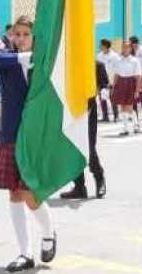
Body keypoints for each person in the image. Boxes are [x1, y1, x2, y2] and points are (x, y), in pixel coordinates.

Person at [0, 17, 57, 272]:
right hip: (10, 135)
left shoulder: (44, 63)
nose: (22, 38)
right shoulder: (9, 61)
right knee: (14, 193)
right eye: (18, 34)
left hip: (34, 137)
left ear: (35, 37)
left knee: (29, 192)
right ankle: (25, 253)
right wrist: (19, 58)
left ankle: (48, 233)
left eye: (27, 34)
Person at [60, 61, 107, 199]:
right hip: (70, 111)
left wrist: (102, 92)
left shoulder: (97, 65)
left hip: (88, 111)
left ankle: (99, 179)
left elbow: (104, 85)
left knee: (89, 149)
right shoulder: (67, 64)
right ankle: (79, 186)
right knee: (72, 148)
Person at [111, 41, 142, 136]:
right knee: (122, 107)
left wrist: (137, 90)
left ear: (130, 49)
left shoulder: (135, 61)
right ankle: (125, 128)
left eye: (127, 47)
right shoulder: (119, 60)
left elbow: (138, 77)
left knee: (129, 107)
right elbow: (116, 74)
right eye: (123, 47)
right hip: (121, 84)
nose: (125, 49)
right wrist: (114, 86)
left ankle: (136, 124)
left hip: (130, 84)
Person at [96, 39, 121, 122]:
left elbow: (118, 69)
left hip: (111, 80)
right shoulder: (99, 56)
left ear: (105, 46)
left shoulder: (114, 56)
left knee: (112, 98)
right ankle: (105, 116)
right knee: (102, 99)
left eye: (101, 45)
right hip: (102, 81)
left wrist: (114, 81)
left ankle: (116, 115)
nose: (100, 46)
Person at [129, 36, 142, 119]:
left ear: (135, 43)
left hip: (141, 75)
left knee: (141, 95)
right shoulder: (131, 51)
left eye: (131, 43)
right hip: (132, 76)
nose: (130, 45)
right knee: (132, 95)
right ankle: (134, 114)